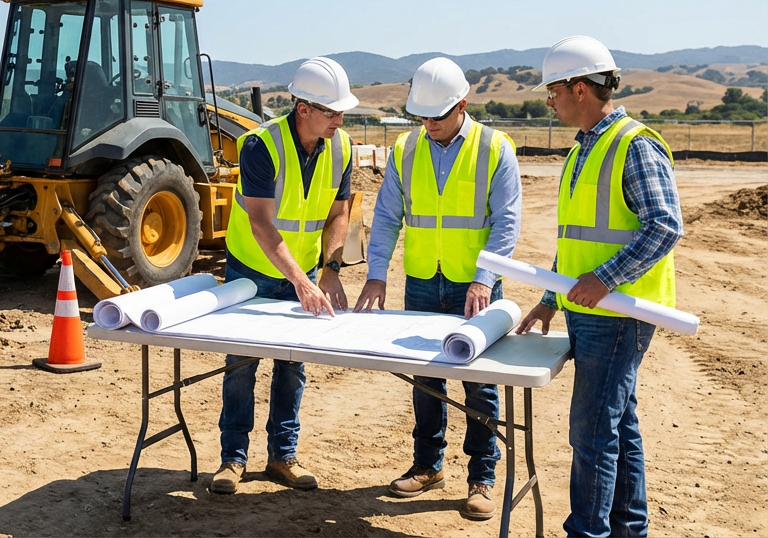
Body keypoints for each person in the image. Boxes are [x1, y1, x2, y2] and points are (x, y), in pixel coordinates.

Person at [517, 36, 681, 538]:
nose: (550, 101)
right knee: (618, 427)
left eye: (553, 92)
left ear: (581, 88)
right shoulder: (586, 148)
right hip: (592, 310)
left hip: (618, 314)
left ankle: (587, 533)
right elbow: (575, 240)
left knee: (591, 433)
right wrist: (549, 299)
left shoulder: (634, 145)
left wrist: (603, 279)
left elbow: (664, 225)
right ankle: (630, 529)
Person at [354, 57, 522, 521]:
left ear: (462, 105)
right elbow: (388, 216)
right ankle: (428, 465)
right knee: (426, 381)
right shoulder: (407, 150)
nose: (428, 124)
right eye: (421, 116)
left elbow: (507, 224)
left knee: (480, 384)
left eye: (437, 116)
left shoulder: (494, 148)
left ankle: (481, 477)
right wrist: (376, 273)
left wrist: (484, 278)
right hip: (424, 282)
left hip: (477, 286)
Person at [211, 57, 356, 495]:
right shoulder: (261, 146)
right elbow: (261, 224)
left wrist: (329, 268)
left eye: (341, 111)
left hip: (305, 271)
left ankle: (282, 457)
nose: (339, 119)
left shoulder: (342, 147)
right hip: (251, 272)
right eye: (331, 111)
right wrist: (300, 280)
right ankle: (232, 459)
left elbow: (339, 212)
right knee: (241, 364)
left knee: (292, 366)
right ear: (303, 108)